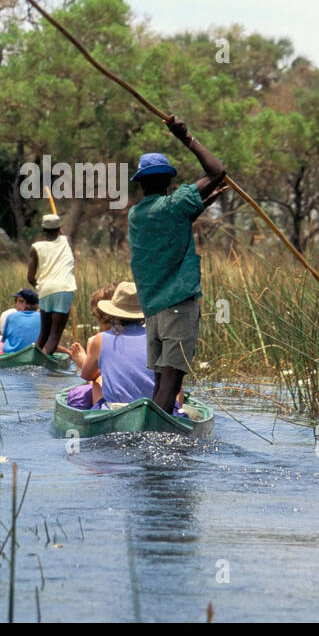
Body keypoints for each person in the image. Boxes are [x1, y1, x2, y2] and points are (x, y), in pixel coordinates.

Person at [128, 115, 227, 414]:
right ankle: (154, 438)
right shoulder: (174, 205)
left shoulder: (136, 214)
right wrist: (185, 137)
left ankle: (152, 429)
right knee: (172, 380)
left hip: (154, 309)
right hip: (177, 305)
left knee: (161, 378)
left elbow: (174, 226)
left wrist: (203, 203)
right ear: (170, 181)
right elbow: (217, 171)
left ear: (141, 183)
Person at [67, 281, 157, 410]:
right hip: (151, 406)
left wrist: (82, 361)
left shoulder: (100, 339)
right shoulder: (156, 337)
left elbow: (87, 376)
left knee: (97, 382)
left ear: (112, 313)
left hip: (114, 408)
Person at [28, 213, 76, 355]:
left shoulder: (35, 247)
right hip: (64, 288)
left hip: (45, 290)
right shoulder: (67, 240)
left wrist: (40, 287)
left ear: (43, 230)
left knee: (44, 333)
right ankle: (41, 366)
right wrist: (62, 234)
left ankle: (34, 359)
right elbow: (72, 260)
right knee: (55, 334)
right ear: (60, 228)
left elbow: (30, 278)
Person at [65, 283, 116, 406]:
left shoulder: (96, 340)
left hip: (109, 397)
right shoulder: (146, 335)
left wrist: (83, 362)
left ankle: (85, 362)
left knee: (78, 394)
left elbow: (88, 376)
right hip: (138, 393)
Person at [1, 288, 42, 352]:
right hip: (36, 353)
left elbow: (3, 340)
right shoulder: (42, 317)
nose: (16, 304)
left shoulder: (11, 317)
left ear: (28, 304)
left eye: (20, 301)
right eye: (15, 301)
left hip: (13, 354)